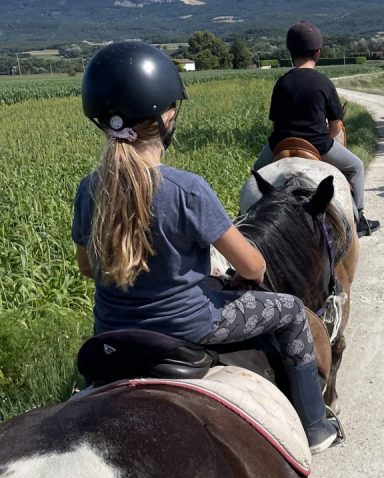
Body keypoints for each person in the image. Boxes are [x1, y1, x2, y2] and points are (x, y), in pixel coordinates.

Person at [73, 41, 340, 454]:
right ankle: (316, 426)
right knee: (289, 312)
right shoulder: (187, 189)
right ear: (167, 116)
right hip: (190, 325)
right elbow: (252, 265)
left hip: (111, 330)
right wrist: (230, 275)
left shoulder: (89, 190)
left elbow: (88, 267)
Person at [252, 21, 379, 238]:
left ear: (291, 53)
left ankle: (247, 216)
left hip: (280, 144)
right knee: (356, 166)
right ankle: (358, 218)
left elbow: (275, 122)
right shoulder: (323, 82)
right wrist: (325, 143)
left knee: (256, 174)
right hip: (317, 143)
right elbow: (336, 125)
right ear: (318, 53)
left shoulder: (281, 82)